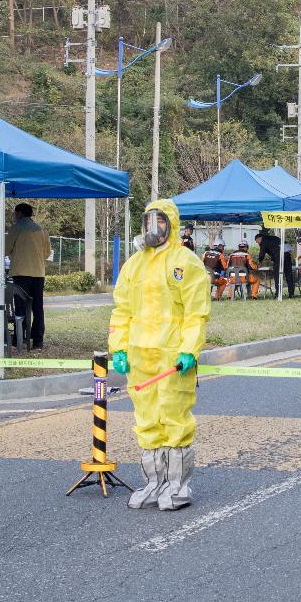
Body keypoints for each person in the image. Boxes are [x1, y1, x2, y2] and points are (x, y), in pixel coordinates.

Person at [108, 199, 211, 510]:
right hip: (141, 357)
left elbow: (196, 313)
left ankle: (177, 486)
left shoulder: (185, 262)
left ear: (172, 224)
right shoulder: (134, 264)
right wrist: (119, 348)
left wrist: (189, 350)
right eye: (150, 221)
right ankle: (154, 483)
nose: (155, 228)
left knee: (174, 419)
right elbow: (121, 311)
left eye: (161, 221)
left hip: (172, 359)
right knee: (147, 421)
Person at [6, 203, 49, 349]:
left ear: (19, 214)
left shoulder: (15, 228)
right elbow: (47, 252)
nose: (14, 217)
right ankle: (38, 340)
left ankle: (20, 337)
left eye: (14, 214)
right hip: (38, 273)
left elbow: (6, 249)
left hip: (20, 273)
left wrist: (15, 255)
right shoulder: (41, 229)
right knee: (37, 307)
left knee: (21, 306)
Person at [202, 236, 228, 300]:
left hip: (204, 277)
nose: (223, 249)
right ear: (220, 246)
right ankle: (217, 297)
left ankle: (206, 297)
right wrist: (222, 274)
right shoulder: (220, 255)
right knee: (224, 282)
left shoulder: (205, 253)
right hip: (214, 279)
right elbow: (225, 267)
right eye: (223, 247)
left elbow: (201, 264)